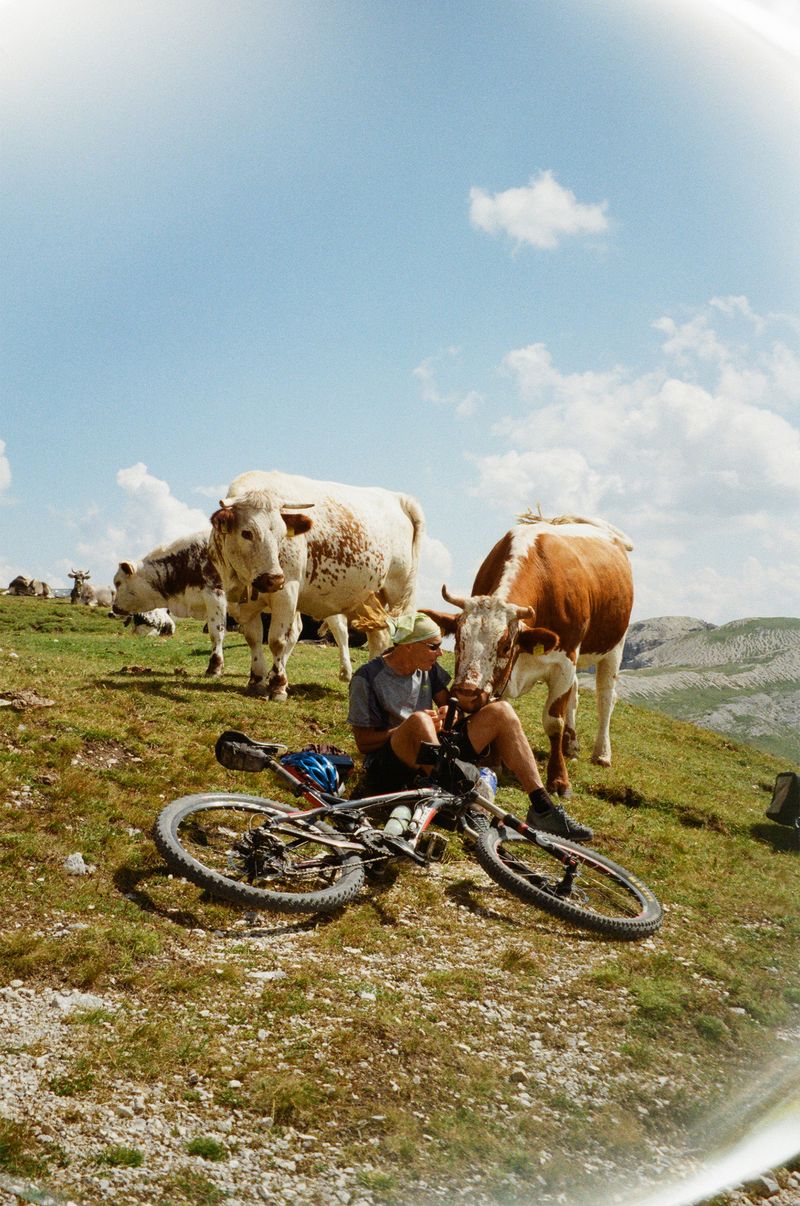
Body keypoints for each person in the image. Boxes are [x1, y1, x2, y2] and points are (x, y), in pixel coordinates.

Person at [347, 611, 593, 841]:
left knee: (501, 711)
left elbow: (452, 712)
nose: (440, 653)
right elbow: (364, 743)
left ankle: (543, 808)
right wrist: (408, 728)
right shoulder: (366, 678)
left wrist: (449, 717)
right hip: (392, 765)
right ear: (409, 646)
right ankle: (467, 801)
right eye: (433, 646)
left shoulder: (427, 670)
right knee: (419, 720)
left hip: (436, 757)